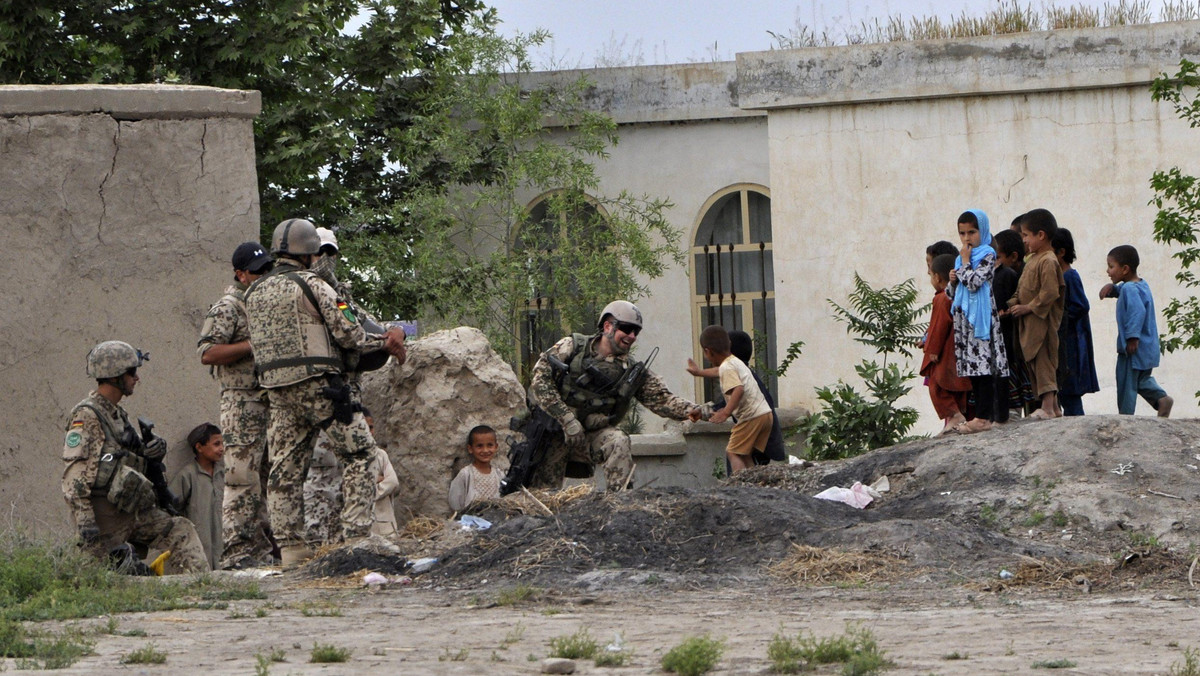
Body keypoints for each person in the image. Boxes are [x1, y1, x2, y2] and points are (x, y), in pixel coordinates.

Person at [243, 218, 407, 567]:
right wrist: (389, 340)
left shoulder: (253, 292)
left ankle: (290, 549)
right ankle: (358, 537)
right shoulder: (313, 284)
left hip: (277, 391)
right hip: (322, 388)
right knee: (361, 454)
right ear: (310, 253)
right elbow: (350, 333)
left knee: (284, 470)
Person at [62, 341, 208, 574]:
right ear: (114, 376)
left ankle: (204, 587)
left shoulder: (116, 414)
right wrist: (85, 522)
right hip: (104, 517)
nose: (136, 378)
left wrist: (149, 452)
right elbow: (76, 474)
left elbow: (123, 457)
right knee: (101, 580)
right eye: (132, 372)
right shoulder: (87, 415)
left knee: (180, 530)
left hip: (131, 510)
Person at [527, 300, 702, 491]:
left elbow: (662, 399)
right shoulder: (572, 347)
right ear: (608, 326)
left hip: (590, 435)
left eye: (636, 332)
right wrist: (567, 419)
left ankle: (621, 504)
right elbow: (540, 380)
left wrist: (694, 410)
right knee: (543, 495)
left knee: (618, 440)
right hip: (554, 432)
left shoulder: (630, 372)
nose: (632, 336)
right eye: (627, 329)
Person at [198, 241, 276, 569]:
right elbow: (207, 352)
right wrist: (250, 345)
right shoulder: (229, 306)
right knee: (241, 479)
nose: (263, 276)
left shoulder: (264, 302)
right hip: (241, 403)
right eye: (256, 272)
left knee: (268, 479)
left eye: (266, 270)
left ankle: (263, 551)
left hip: (267, 400)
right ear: (241, 274)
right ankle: (237, 555)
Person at [946, 209, 1009, 434]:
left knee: (983, 368)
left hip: (981, 319)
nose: (967, 238)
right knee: (974, 370)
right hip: (965, 321)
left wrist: (963, 264)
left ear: (982, 231)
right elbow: (952, 293)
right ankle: (982, 416)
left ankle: (984, 417)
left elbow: (975, 282)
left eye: (972, 232)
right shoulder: (960, 259)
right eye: (962, 233)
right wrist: (953, 281)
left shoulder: (987, 254)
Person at [686, 329, 785, 467]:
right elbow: (719, 375)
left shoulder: (729, 369)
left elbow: (737, 390)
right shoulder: (739, 366)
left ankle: (739, 485)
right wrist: (699, 373)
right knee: (743, 455)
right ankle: (752, 484)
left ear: (708, 351)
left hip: (753, 420)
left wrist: (725, 413)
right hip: (764, 420)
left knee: (732, 453)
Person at [1100, 245, 1173, 417]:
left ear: (1125, 269)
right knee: (1141, 380)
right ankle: (1162, 399)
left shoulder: (1129, 289)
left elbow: (1136, 311)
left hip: (1133, 348)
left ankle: (1126, 417)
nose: (1108, 271)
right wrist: (1112, 289)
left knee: (1126, 382)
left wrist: (1132, 337)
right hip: (1148, 347)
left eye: (1111, 267)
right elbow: (1128, 293)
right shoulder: (1140, 285)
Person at [1009, 208, 1065, 420]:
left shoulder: (1048, 261)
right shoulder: (1031, 260)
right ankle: (1056, 408)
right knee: (1034, 363)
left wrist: (1029, 307)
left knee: (1044, 362)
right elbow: (1021, 287)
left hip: (1042, 322)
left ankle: (1048, 407)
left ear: (1040, 235)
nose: (1023, 241)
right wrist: (1012, 303)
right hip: (1030, 324)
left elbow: (1050, 292)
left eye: (1025, 236)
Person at [922, 254, 972, 434]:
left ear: (937, 277)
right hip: (959, 349)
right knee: (956, 386)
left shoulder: (941, 298)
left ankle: (954, 415)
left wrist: (932, 349)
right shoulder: (957, 294)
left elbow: (939, 325)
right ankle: (956, 418)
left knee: (937, 385)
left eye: (930, 275)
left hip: (945, 351)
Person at [1052, 228, 1099, 416]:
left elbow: (1081, 306)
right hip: (1064, 340)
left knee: (1070, 390)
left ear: (1061, 252)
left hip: (1071, 342)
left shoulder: (1070, 277)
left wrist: (1058, 317)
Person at [171, 423, 226, 570]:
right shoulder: (187, 475)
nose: (221, 449)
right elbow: (170, 506)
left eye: (222, 443)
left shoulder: (225, 474)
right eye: (216, 444)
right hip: (200, 550)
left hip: (224, 548)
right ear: (199, 447)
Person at [993, 228, 1034, 416]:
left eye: (997, 256)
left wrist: (1007, 312)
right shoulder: (997, 275)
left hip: (1012, 343)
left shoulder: (1009, 275)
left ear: (1013, 256)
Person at [449, 425, 502, 512]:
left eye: (490, 445)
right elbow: (455, 503)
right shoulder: (466, 474)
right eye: (479, 446)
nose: (485, 450)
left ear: (496, 447)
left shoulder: (499, 475)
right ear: (470, 449)